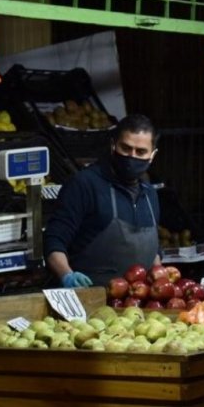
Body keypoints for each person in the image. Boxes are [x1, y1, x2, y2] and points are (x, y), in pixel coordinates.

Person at [44, 114, 162, 288]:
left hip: (135, 306)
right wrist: (67, 275)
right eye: (126, 148)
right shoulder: (85, 184)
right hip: (88, 300)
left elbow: (153, 254)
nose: (132, 156)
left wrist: (162, 279)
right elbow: (53, 241)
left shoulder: (149, 193)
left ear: (152, 155)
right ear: (113, 145)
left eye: (140, 152)